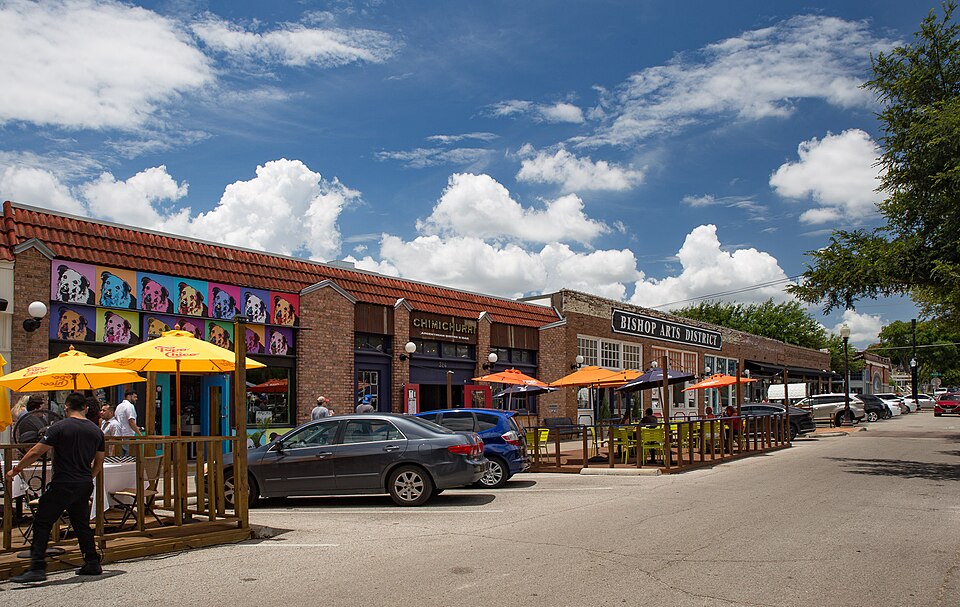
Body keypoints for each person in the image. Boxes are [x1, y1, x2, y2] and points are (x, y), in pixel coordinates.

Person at [8, 392, 104, 582]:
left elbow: (36, 451)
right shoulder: (96, 431)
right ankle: (92, 561)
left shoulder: (58, 427)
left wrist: (17, 469)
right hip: (84, 483)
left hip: (63, 482)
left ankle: (37, 566)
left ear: (66, 408)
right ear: (85, 408)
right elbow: (99, 462)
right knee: (81, 524)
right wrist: (88, 477)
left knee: (42, 521)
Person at [114, 390, 140, 455]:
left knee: (121, 458)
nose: (136, 399)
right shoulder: (129, 406)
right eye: (134, 397)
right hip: (128, 435)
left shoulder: (118, 406)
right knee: (130, 458)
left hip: (120, 435)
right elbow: (131, 421)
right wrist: (140, 434)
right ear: (128, 396)